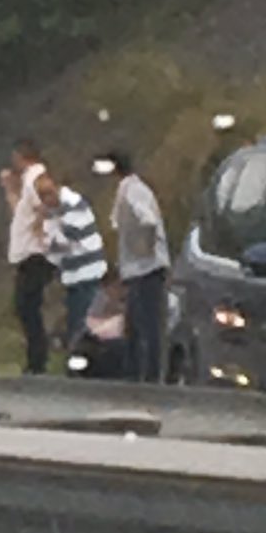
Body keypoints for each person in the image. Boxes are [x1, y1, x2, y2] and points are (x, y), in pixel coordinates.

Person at [99, 148, 169, 382]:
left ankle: (149, 376)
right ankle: (135, 374)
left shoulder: (131, 191)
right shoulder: (133, 188)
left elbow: (147, 220)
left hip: (145, 269)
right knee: (135, 325)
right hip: (138, 269)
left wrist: (143, 250)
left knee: (146, 325)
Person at [1, 137, 56, 375]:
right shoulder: (27, 182)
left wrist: (42, 223)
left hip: (36, 253)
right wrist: (10, 190)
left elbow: (50, 197)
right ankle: (35, 358)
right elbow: (20, 214)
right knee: (25, 306)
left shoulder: (36, 176)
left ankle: (38, 360)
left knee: (28, 305)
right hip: (27, 253)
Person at [41, 177, 108, 357]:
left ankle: (84, 358)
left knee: (84, 321)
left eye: (47, 197)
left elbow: (67, 240)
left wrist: (47, 236)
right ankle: (77, 357)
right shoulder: (53, 212)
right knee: (75, 318)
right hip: (72, 274)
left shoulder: (74, 205)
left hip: (88, 271)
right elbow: (51, 246)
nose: (45, 203)